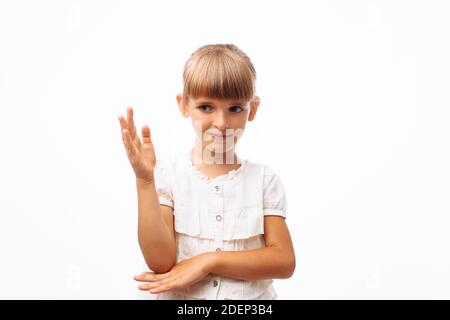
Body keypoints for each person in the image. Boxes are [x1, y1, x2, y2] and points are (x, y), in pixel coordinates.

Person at [118, 44, 295, 300]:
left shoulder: (264, 180)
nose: (221, 123)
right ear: (184, 105)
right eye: (206, 107)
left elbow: (283, 260)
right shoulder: (168, 174)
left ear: (252, 109)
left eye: (235, 109)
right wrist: (144, 181)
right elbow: (160, 262)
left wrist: (209, 261)